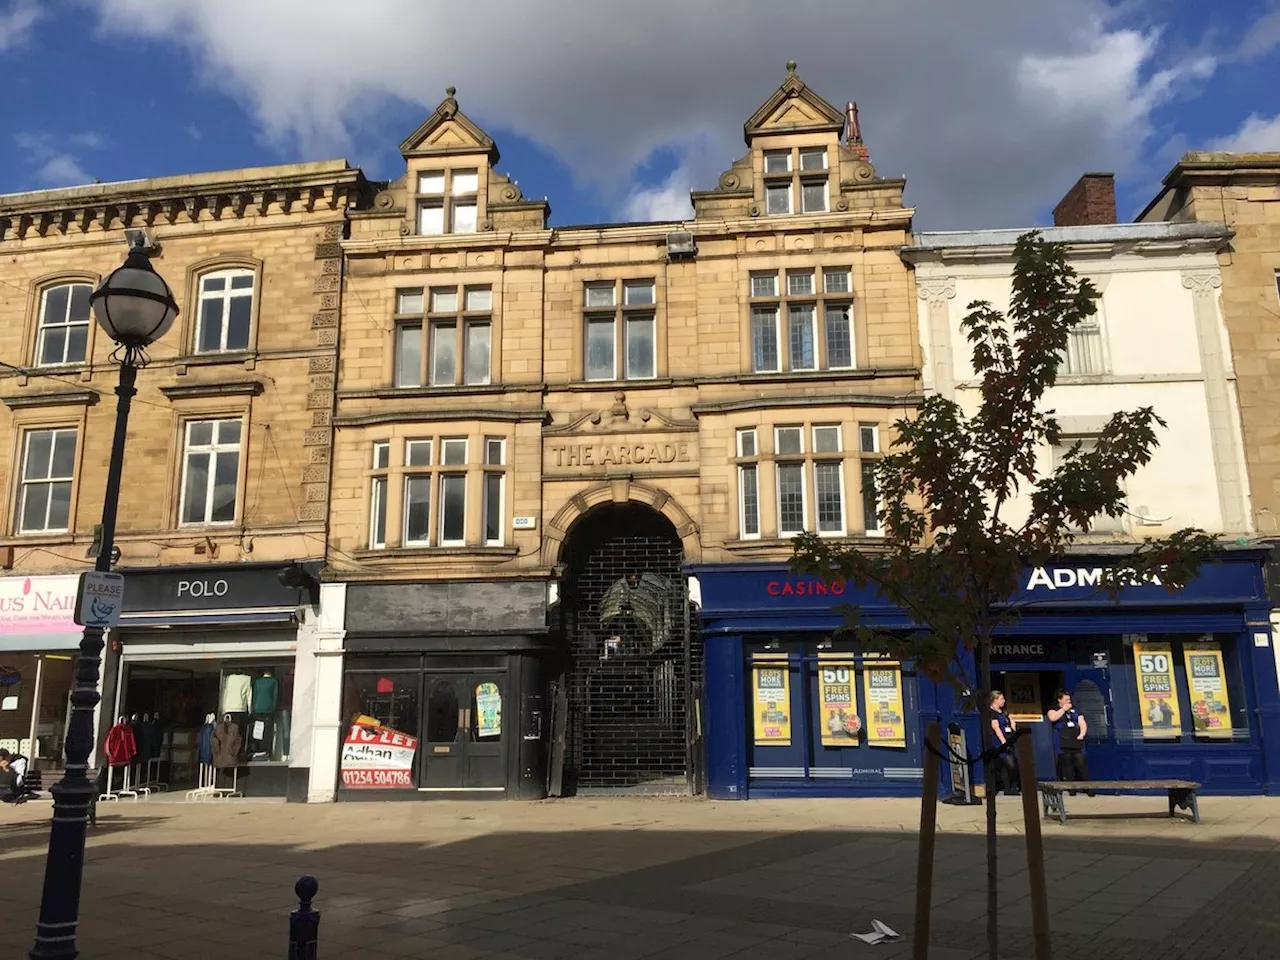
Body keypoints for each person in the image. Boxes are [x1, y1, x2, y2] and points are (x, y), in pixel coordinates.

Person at [1047, 690, 1093, 795]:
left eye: (1069, 699)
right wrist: (1063, 709)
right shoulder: (1054, 710)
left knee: (1081, 762)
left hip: (1076, 739)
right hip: (1063, 741)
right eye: (1066, 699)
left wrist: (1082, 734)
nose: (1069, 701)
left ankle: (1088, 787)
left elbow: (1082, 722)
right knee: (1067, 764)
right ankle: (1072, 789)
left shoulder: (1075, 710)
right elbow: (1052, 718)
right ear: (1059, 700)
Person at [988, 690, 1020, 796]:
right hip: (1000, 742)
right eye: (1001, 699)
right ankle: (1008, 787)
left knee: (1008, 765)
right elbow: (996, 728)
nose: (1004, 701)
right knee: (1008, 763)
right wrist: (1004, 742)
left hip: (1008, 739)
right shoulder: (992, 713)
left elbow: (1010, 723)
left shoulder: (1003, 712)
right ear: (995, 700)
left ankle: (1011, 787)